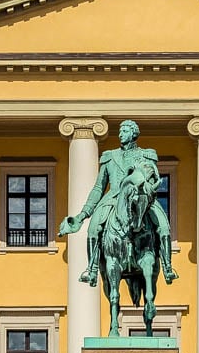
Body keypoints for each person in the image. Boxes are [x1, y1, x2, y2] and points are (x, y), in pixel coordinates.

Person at [59, 119, 177, 286]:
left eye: (125, 131)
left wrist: (146, 190)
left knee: (164, 227)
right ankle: (91, 269)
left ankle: (167, 267)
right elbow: (99, 187)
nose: (121, 134)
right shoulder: (109, 157)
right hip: (113, 198)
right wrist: (82, 215)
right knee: (93, 229)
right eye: (120, 131)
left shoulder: (146, 155)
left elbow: (153, 178)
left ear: (134, 134)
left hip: (143, 196)